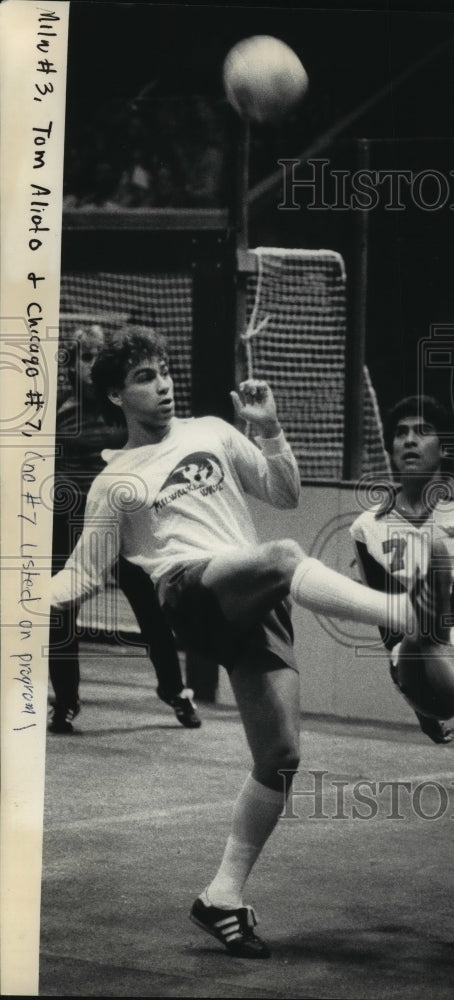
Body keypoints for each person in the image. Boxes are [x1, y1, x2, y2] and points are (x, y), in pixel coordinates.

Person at [50, 325, 419, 957]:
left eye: (165, 371)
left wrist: (269, 429)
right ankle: (406, 615)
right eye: (144, 377)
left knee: (280, 756)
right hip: (189, 592)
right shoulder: (117, 482)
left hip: (251, 594)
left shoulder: (215, 432)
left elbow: (285, 491)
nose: (163, 384)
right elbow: (82, 576)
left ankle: (221, 896)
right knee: (281, 554)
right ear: (114, 395)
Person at [49, 323, 201, 734]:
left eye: (98, 354)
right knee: (59, 615)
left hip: (124, 524)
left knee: (150, 611)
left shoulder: (127, 410)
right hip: (67, 525)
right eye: (84, 355)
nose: (91, 362)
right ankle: (65, 702)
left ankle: (174, 692)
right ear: (71, 365)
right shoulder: (55, 410)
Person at [350, 394, 454, 744]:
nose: (409, 439)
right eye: (401, 433)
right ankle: (430, 617)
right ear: (392, 450)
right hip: (413, 657)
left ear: (443, 449)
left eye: (422, 431)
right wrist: (419, 706)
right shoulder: (368, 528)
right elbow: (387, 621)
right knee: (416, 632)